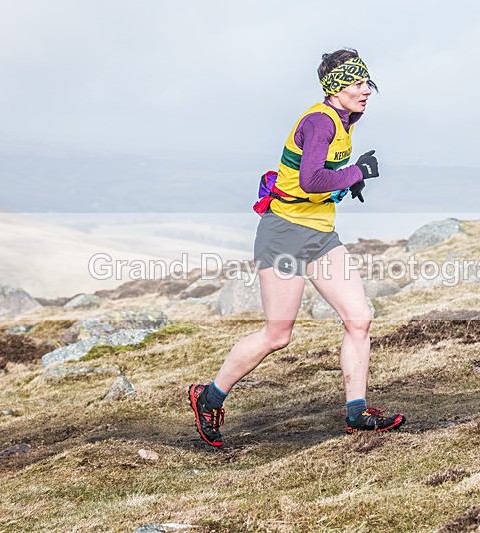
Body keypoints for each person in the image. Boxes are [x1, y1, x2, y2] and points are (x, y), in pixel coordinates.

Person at [188, 48, 406, 447]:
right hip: (284, 234)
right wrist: (358, 171)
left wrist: (347, 182)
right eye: (359, 83)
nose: (367, 90)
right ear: (336, 87)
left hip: (320, 236)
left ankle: (357, 413)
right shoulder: (320, 122)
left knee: (359, 318)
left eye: (367, 83)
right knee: (278, 334)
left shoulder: (345, 117)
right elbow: (310, 181)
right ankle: (209, 397)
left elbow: (320, 173)